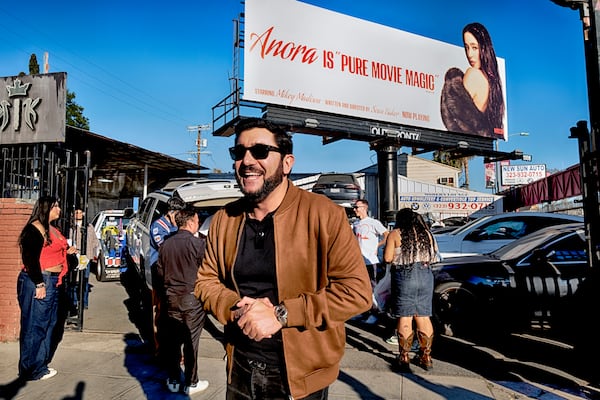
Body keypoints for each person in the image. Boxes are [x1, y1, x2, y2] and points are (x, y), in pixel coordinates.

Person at [195, 117, 372, 400]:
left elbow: (357, 293)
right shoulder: (224, 220)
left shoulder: (325, 215)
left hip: (301, 378)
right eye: (239, 153)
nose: (247, 161)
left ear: (287, 163)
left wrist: (281, 314)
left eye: (261, 151)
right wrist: (236, 308)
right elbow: (206, 281)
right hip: (239, 367)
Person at [17, 196, 77, 381]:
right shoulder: (34, 229)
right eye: (55, 206)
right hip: (40, 281)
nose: (59, 209)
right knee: (35, 326)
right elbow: (30, 258)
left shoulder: (53, 230)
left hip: (53, 281)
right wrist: (39, 284)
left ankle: (39, 365)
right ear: (45, 209)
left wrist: (68, 254)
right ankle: (30, 369)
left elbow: (61, 254)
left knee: (48, 324)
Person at [157, 207, 209, 395]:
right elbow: (207, 270)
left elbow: (160, 271)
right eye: (196, 221)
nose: (198, 224)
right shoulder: (197, 244)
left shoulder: (166, 245)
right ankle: (191, 381)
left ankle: (173, 379)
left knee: (173, 341)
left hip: (171, 297)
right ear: (190, 222)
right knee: (191, 341)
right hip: (191, 297)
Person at [383, 208, 440, 371]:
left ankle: (404, 356)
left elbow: (387, 258)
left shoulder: (396, 234)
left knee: (405, 316)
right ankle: (426, 356)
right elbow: (434, 256)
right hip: (425, 275)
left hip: (404, 276)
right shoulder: (428, 234)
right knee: (423, 316)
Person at [441, 22, 504, 139]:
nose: (469, 54)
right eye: (466, 47)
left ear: (484, 48)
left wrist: (451, 82)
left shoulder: (472, 74)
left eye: (474, 47)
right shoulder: (493, 84)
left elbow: (455, 117)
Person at [149, 195, 187, 359]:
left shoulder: (177, 227)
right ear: (170, 213)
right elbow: (166, 248)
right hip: (160, 274)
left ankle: (177, 351)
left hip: (176, 275)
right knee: (160, 313)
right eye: (177, 214)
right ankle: (160, 349)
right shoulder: (158, 227)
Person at [67, 209, 100, 311]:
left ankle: (84, 302)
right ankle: (73, 301)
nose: (79, 214)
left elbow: (95, 240)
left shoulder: (89, 227)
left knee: (84, 280)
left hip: (86, 257)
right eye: (76, 212)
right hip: (75, 256)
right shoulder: (71, 227)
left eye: (80, 212)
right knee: (73, 281)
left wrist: (91, 249)